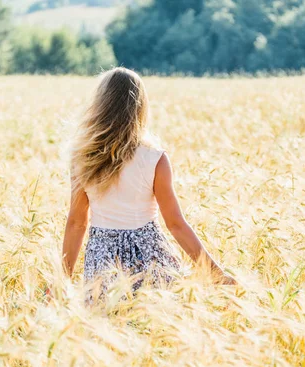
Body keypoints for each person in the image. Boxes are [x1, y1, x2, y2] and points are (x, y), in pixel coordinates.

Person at [61, 67, 236, 299]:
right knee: (156, 327)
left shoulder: (83, 158)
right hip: (150, 255)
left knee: (107, 326)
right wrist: (214, 272)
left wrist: (60, 280)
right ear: (140, 107)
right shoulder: (155, 159)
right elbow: (175, 224)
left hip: (102, 261)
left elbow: (76, 223)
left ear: (100, 105)